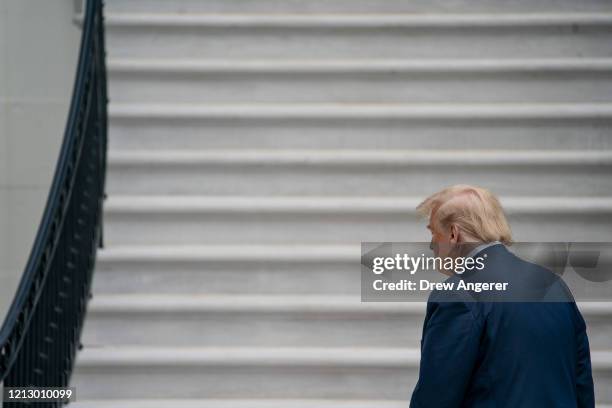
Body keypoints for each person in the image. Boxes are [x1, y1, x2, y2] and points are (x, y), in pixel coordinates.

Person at [409, 184, 595, 408]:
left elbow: (437, 396)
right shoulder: (554, 285)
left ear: (453, 234)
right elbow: (581, 383)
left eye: (433, 233)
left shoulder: (459, 294)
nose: (431, 245)